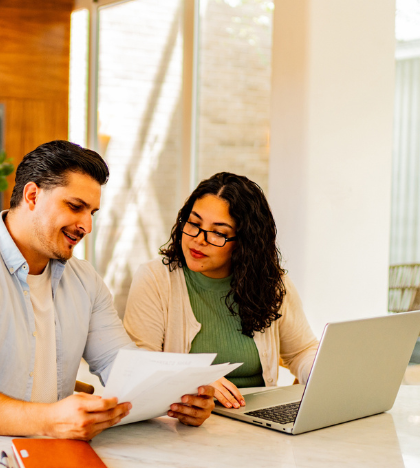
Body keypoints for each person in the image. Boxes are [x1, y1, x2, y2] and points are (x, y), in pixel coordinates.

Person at [0, 141, 216, 464]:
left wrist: (179, 397)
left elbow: (123, 365)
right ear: (32, 196)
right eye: (75, 206)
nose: (87, 226)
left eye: (91, 213)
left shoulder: (85, 282)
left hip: (49, 452)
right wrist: (51, 419)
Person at [123, 172, 318, 410]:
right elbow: (140, 365)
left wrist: (325, 373)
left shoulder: (272, 282)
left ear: (245, 242)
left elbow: (301, 352)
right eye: (194, 223)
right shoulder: (155, 279)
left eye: (218, 233)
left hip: (257, 423)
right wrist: (192, 379)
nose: (199, 239)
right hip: (182, 426)